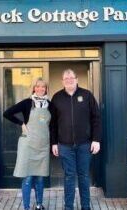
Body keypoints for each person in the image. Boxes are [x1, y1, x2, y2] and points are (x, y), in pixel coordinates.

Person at [50, 69, 101, 210]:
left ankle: (86, 206)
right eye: (66, 78)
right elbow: (53, 123)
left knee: (84, 176)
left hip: (85, 145)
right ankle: (68, 207)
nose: (69, 80)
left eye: (71, 78)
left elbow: (96, 118)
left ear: (77, 79)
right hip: (65, 146)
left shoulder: (87, 95)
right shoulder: (57, 98)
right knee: (69, 177)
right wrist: (54, 143)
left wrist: (96, 139)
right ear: (62, 81)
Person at [3, 78, 52, 210]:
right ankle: (26, 207)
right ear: (34, 88)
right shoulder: (27, 103)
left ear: (46, 89)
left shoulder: (49, 105)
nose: (40, 89)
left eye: (43, 87)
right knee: (28, 178)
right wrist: (21, 123)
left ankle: (39, 204)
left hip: (43, 146)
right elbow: (7, 113)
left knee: (40, 178)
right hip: (28, 145)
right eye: (38, 86)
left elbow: (53, 126)